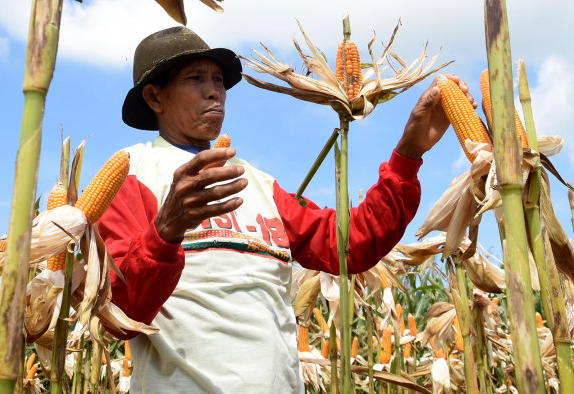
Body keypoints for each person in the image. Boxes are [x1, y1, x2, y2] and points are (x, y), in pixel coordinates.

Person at [96, 26, 472, 393]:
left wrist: (408, 154)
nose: (215, 91)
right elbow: (121, 314)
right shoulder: (130, 176)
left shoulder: (258, 183)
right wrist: (165, 231)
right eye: (195, 78)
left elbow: (349, 244)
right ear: (154, 97)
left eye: (219, 80)